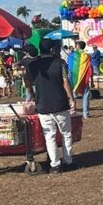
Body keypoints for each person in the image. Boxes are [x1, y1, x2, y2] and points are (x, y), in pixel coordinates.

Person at [24, 40, 76, 172]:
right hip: (60, 104)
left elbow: (27, 82)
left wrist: (33, 95)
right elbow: (65, 82)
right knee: (66, 134)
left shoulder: (32, 65)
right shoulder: (60, 63)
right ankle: (68, 160)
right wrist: (72, 98)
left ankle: (55, 164)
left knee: (49, 136)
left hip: (43, 105)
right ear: (52, 49)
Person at [70, 40, 94, 119]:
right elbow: (90, 68)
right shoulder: (87, 56)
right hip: (84, 78)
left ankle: (72, 111)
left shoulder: (72, 55)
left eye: (76, 45)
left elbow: (69, 67)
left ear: (78, 46)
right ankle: (85, 113)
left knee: (73, 95)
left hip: (74, 78)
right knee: (86, 95)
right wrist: (91, 79)